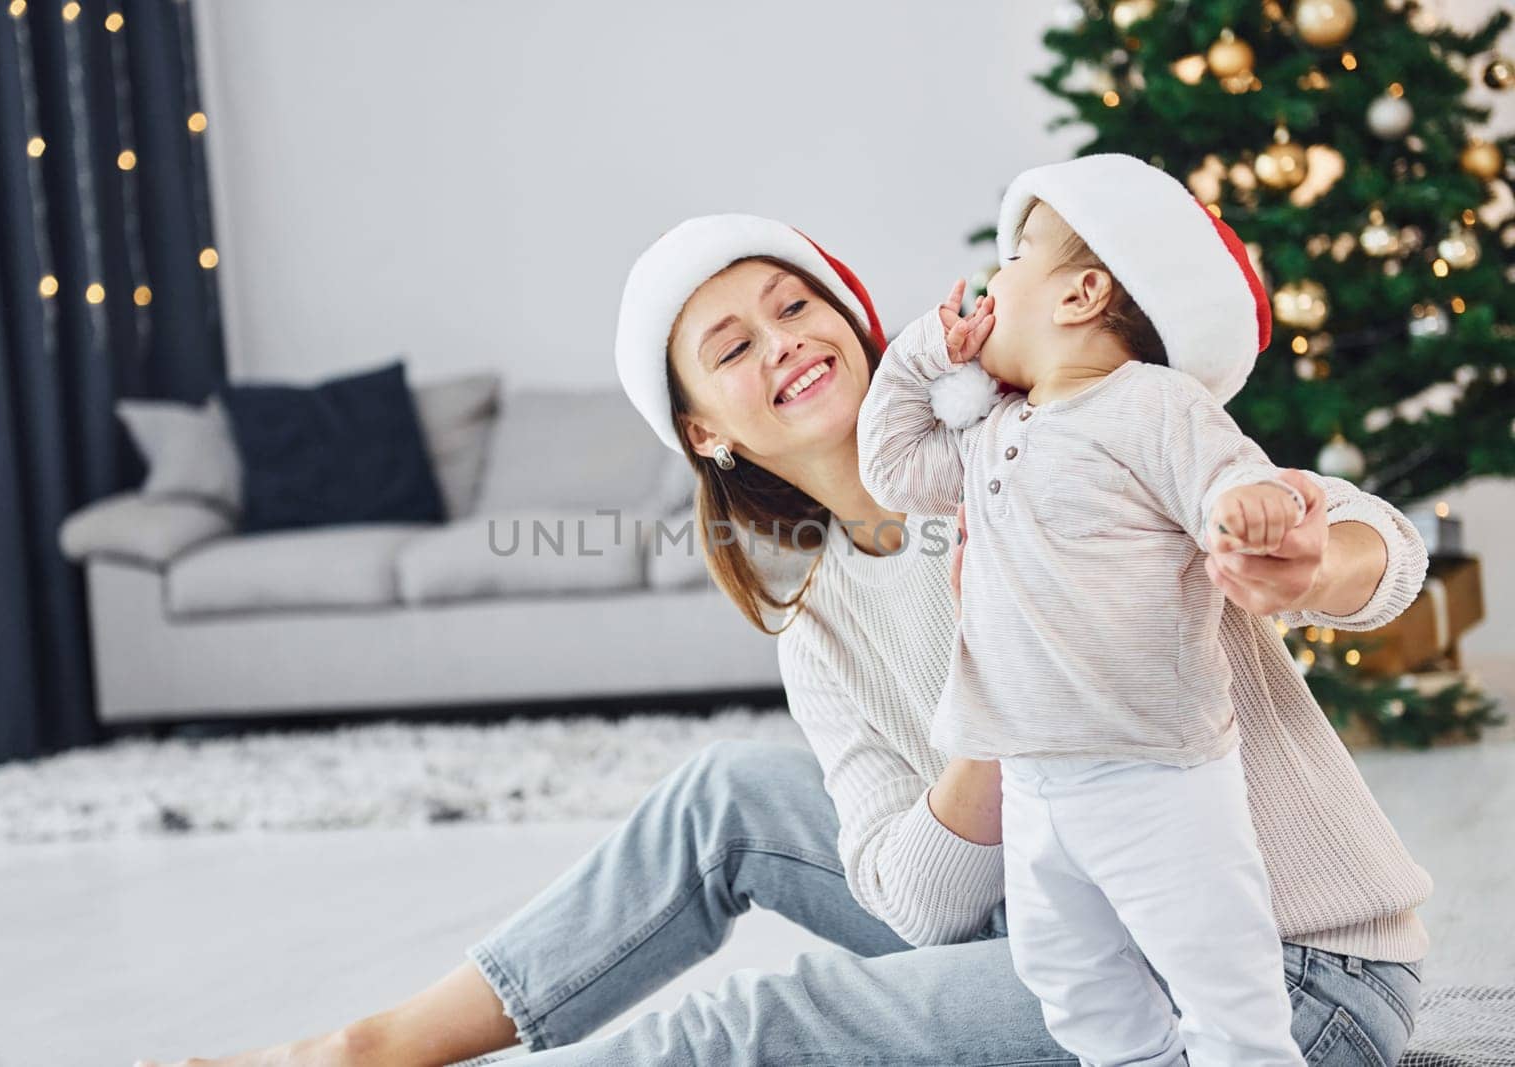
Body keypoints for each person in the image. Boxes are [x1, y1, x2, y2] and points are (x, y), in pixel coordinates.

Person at [138, 210, 1431, 1067]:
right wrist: (999, 714)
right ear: (708, 429)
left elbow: (1379, 544)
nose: (787, 342)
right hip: (1066, 933)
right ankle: (385, 1043)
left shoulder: (1044, 436)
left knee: (749, 1025)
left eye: (795, 304)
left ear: (857, 321)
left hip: (1281, 975)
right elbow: (922, 903)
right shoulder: (816, 614)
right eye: (733, 343)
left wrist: (1320, 554)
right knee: (726, 794)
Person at [857, 154, 1328, 1064]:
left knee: (1220, 974)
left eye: (1015, 259)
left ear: (1081, 294)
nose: (993, 281)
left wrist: (1246, 506)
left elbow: (1229, 477)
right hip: (1033, 774)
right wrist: (924, 351)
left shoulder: (1154, 404)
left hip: (1155, 772)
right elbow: (890, 466)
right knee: (1069, 980)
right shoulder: (994, 429)